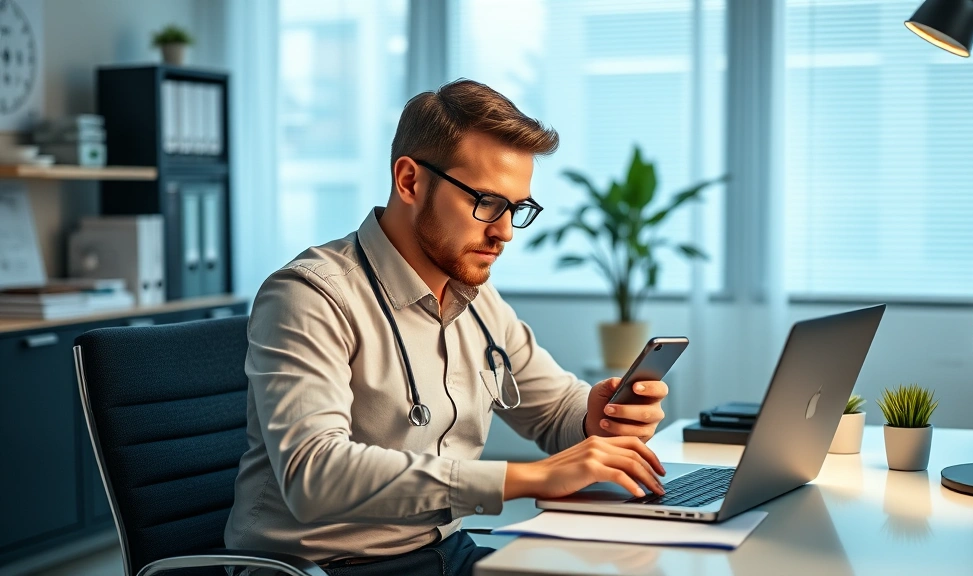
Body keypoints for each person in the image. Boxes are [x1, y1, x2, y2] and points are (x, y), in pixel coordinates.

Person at [224, 79, 670, 576]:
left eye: (517, 209)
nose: (503, 231)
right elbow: (314, 475)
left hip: (444, 556)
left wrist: (597, 417)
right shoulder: (310, 295)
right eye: (486, 201)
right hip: (324, 568)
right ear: (410, 181)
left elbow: (555, 412)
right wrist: (523, 478)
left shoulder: (475, 297)